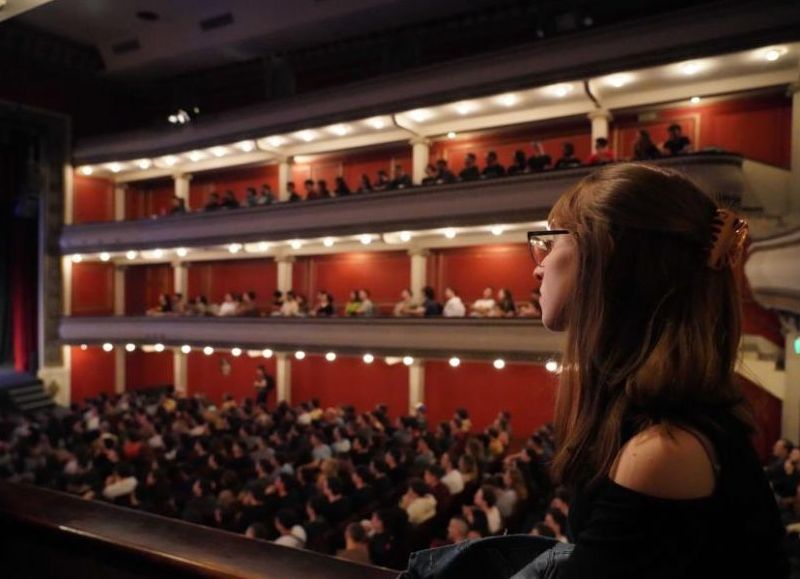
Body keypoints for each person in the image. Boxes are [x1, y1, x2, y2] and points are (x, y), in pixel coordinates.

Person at [532, 163, 787, 577]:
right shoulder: (653, 427)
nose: (537, 266)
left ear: (607, 258)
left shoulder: (663, 453)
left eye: (551, 242)